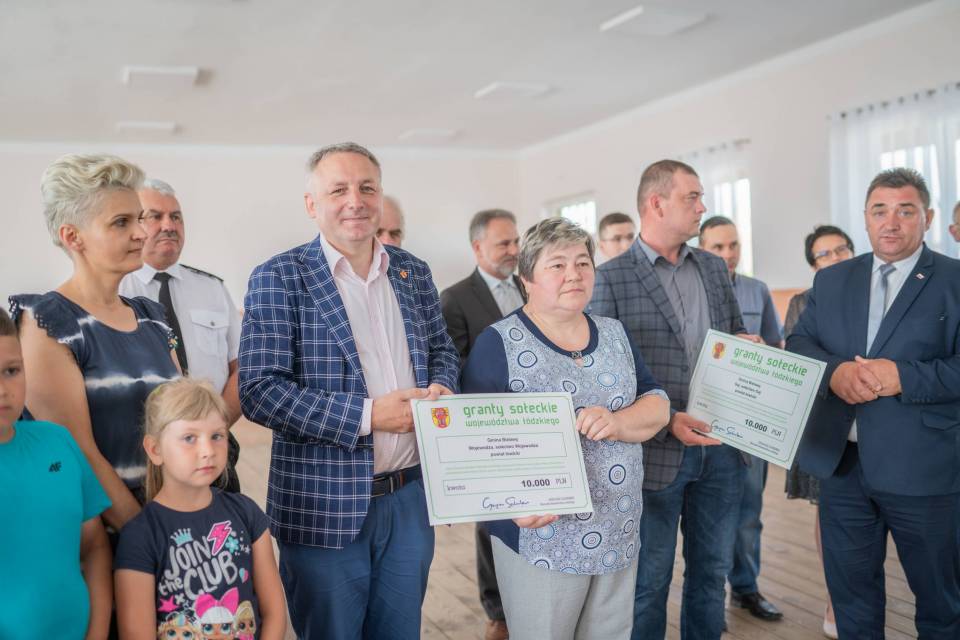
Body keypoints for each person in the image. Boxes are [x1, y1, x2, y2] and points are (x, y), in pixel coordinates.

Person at [239, 142, 460, 639]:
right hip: (323, 505)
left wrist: (442, 386)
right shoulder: (279, 277)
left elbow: (442, 349)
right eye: (338, 189)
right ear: (311, 204)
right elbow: (259, 390)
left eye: (366, 188)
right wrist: (368, 416)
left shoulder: (413, 271)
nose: (355, 201)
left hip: (409, 499)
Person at [462, 217, 670, 640]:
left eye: (582, 263)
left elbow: (658, 403)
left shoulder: (614, 333)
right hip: (542, 536)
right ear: (526, 279)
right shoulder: (498, 343)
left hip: (618, 527)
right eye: (557, 265)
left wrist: (618, 421)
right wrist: (509, 505)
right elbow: (473, 443)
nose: (574, 274)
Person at [788, 168, 960, 638]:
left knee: (941, 605)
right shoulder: (832, 281)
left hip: (924, 471)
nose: (891, 222)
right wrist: (835, 372)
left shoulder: (954, 280)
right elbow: (800, 344)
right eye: (880, 211)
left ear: (927, 217)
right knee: (852, 604)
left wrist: (902, 376)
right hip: (843, 470)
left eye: (906, 211)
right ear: (865, 217)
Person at [590, 159, 755, 640]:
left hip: (720, 447)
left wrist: (751, 349)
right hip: (654, 453)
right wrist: (668, 420)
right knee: (650, 580)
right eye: (692, 197)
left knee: (711, 575)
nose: (703, 207)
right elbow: (605, 377)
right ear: (656, 204)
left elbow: (732, 333)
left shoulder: (712, 267)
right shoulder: (610, 278)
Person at [10, 153, 180, 531]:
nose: (142, 233)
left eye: (139, 219)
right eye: (121, 222)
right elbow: (78, 452)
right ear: (73, 237)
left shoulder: (151, 316)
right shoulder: (48, 321)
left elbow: (182, 420)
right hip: (105, 537)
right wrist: (146, 538)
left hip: (173, 523)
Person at [114, 378, 286, 639]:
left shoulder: (247, 513)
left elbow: (274, 613)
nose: (207, 451)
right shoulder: (141, 536)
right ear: (155, 449)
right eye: (189, 438)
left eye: (217, 436)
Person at [120, 178, 243, 492]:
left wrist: (211, 430)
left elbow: (241, 368)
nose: (169, 225)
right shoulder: (117, 291)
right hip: (141, 456)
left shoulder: (212, 288)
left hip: (213, 455)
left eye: (176, 217)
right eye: (155, 216)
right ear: (133, 225)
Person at [0, 308, 113, 639]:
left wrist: (97, 633)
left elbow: (94, 546)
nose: (3, 389)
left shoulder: (57, 441)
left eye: (11, 370)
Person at [440, 208, 523, 640]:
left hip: (535, 423)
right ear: (477, 248)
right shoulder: (455, 298)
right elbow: (454, 366)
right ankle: (497, 612)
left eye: (516, 241)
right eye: (503, 243)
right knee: (493, 520)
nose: (513, 250)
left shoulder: (529, 286)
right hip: (487, 425)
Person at [698, 215, 783, 622]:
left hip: (750, 421)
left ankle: (746, 588)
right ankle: (706, 598)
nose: (728, 254)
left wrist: (762, 349)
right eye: (718, 247)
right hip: (704, 418)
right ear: (701, 249)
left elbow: (776, 349)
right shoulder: (692, 289)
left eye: (733, 245)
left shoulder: (757, 290)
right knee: (706, 517)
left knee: (749, 512)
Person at [782, 224, 854, 639]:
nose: (834, 258)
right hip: (825, 423)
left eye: (840, 249)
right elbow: (801, 360)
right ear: (813, 265)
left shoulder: (877, 294)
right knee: (828, 514)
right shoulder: (802, 303)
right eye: (823, 254)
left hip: (879, 423)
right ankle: (834, 598)